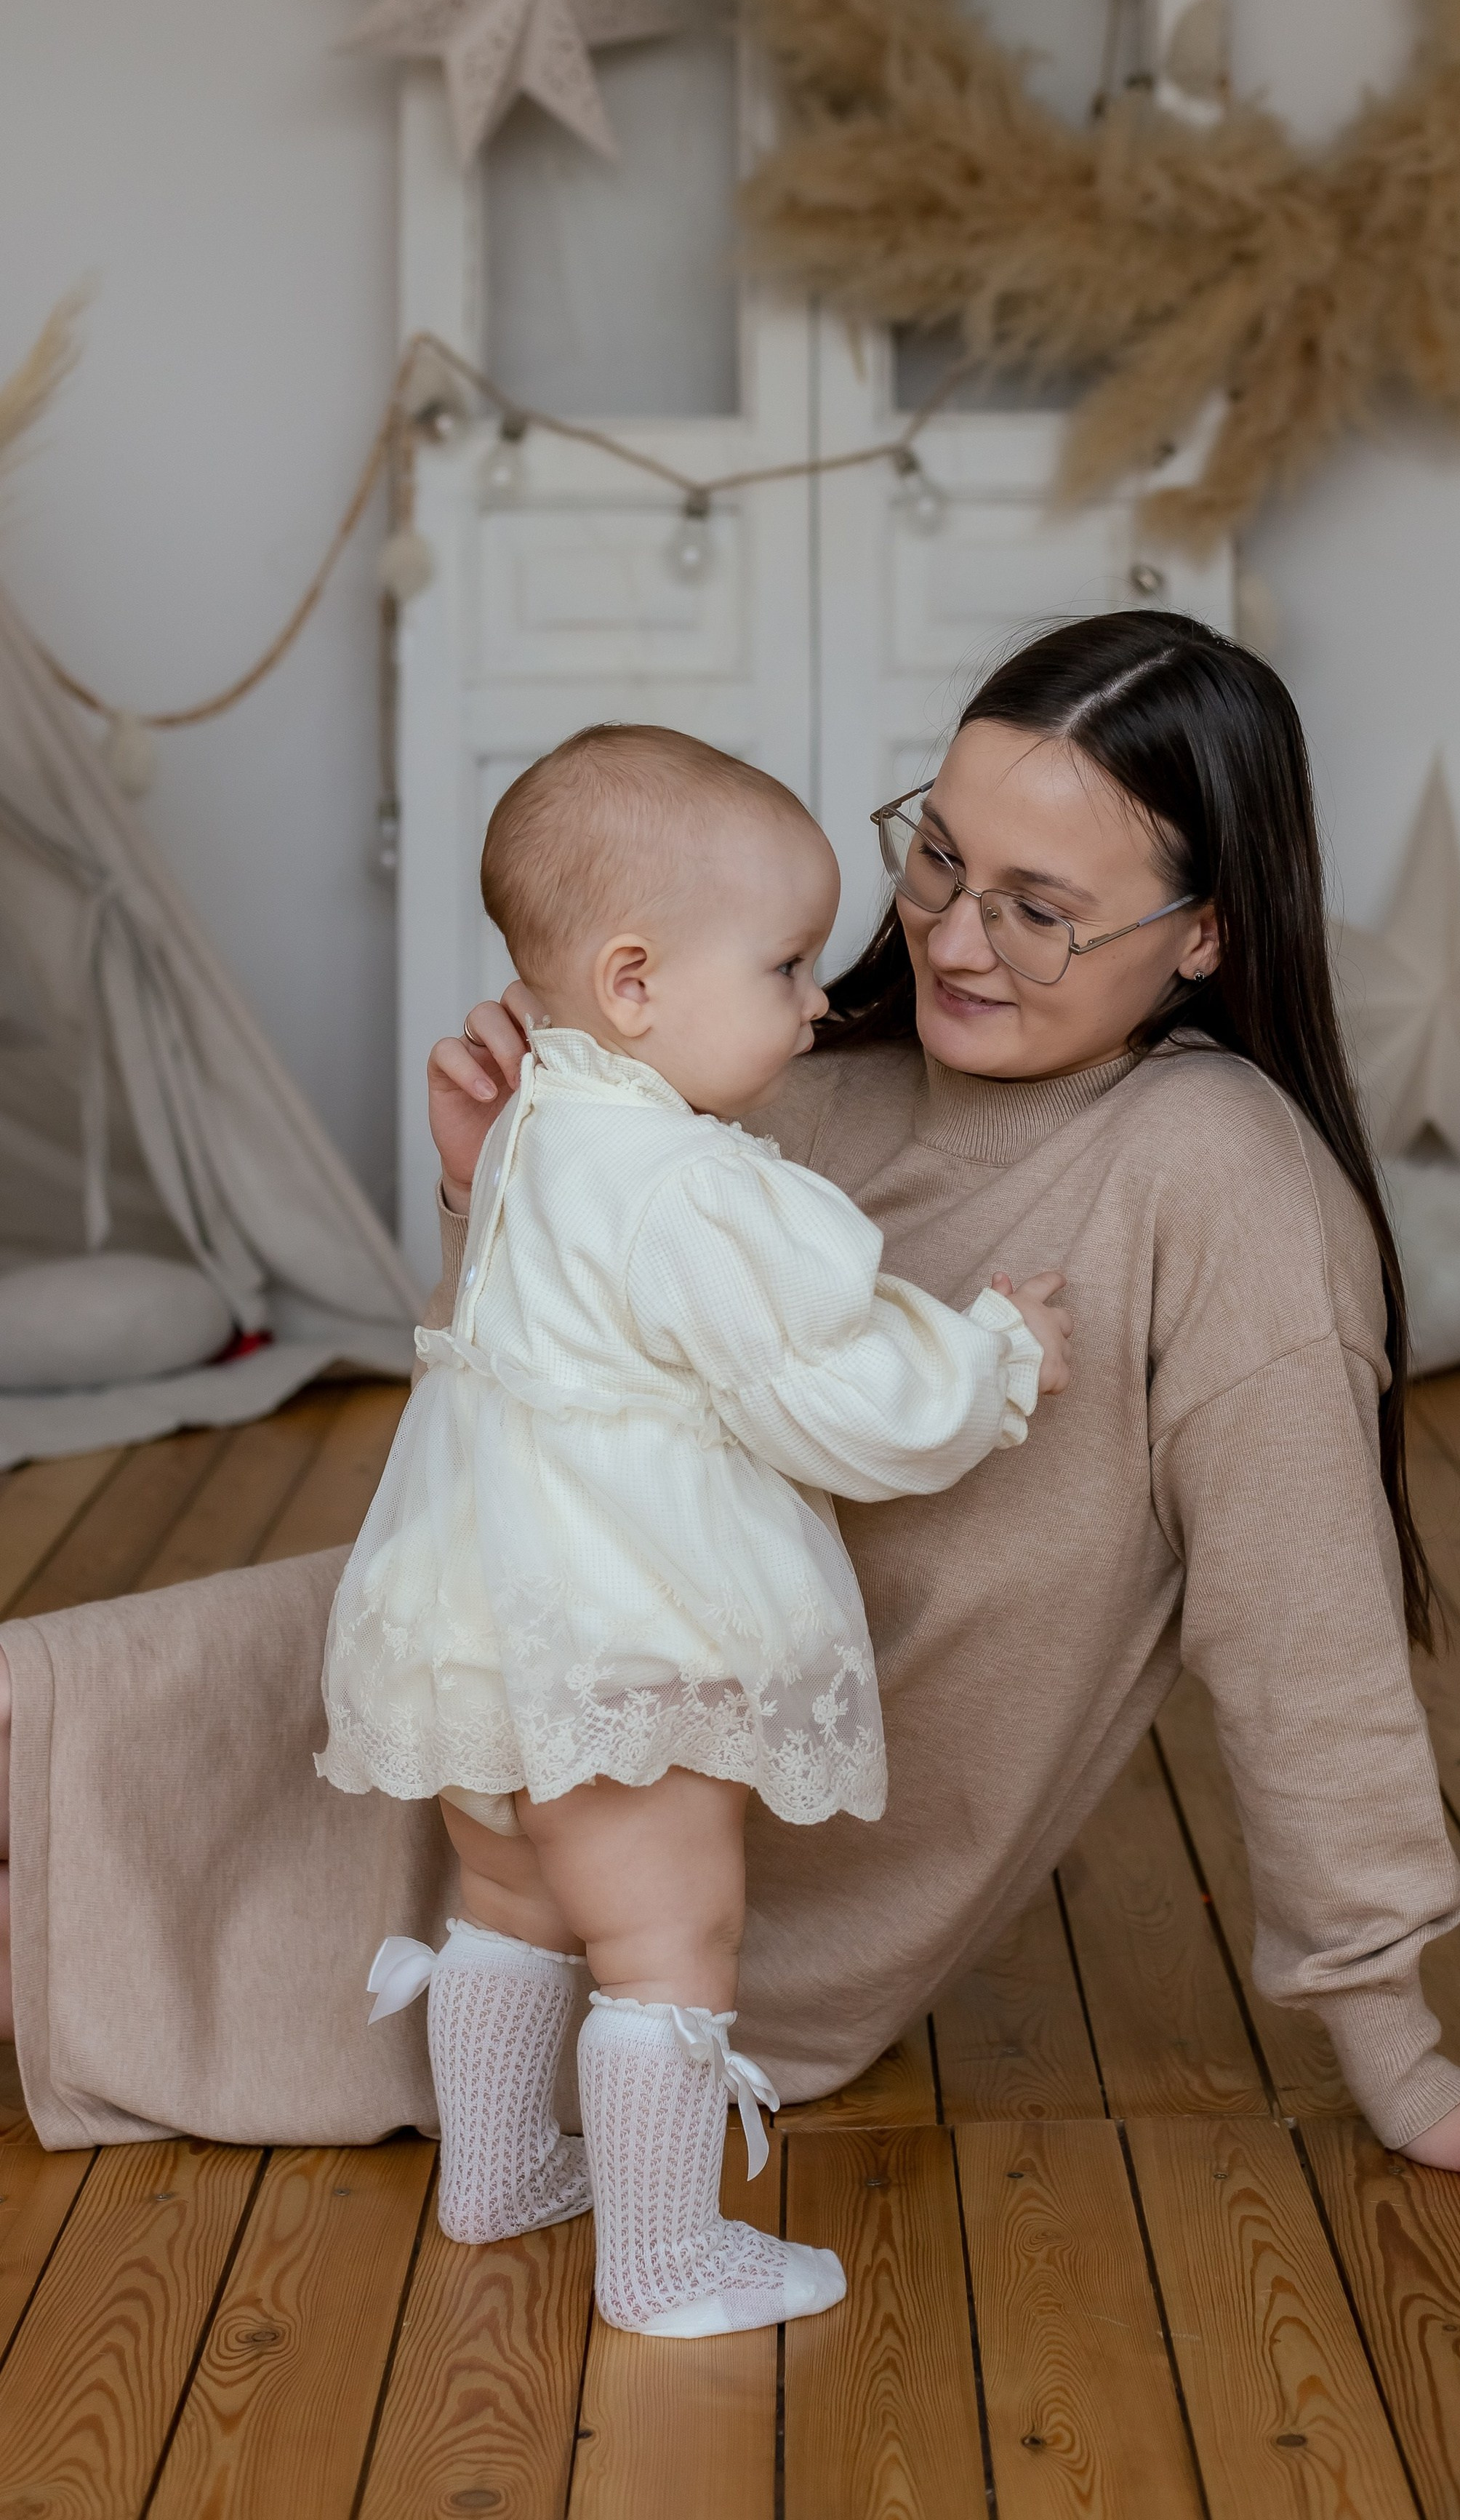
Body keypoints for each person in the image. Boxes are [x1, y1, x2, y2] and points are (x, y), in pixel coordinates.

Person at [0, 609, 1460, 2196]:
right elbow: (543, 1429)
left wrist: (1400, 2062)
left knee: (95, 1842)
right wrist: (493, 1201)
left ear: (1203, 934)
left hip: (693, 1896)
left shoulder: (1216, 1184)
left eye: (1038, 910)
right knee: (64, 1709)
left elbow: (1302, 1633)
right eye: (937, 858)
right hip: (494, 1682)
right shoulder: (776, 1082)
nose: (953, 938)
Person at [321, 724, 1065, 2336]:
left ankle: (497, 2168)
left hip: (474, 1615)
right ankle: (665, 2261)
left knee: (512, 1898)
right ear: (637, 979)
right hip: (622, 1624)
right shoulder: (694, 1187)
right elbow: (834, 1390)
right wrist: (994, 1357)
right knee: (670, 1935)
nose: (819, 999)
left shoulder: (536, 1128)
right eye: (789, 963)